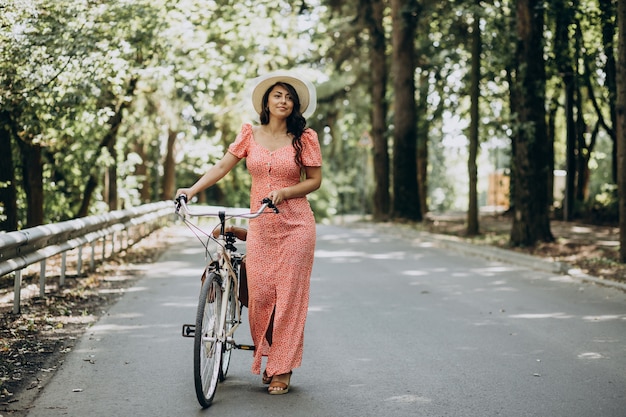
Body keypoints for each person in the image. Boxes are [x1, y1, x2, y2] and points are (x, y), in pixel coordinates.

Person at [175, 70, 322, 395]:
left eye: (289, 97)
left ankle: (281, 367)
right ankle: (269, 353)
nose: (283, 101)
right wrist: (192, 189)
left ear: (295, 105)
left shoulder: (304, 137)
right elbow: (221, 166)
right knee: (259, 298)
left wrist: (286, 193)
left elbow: (314, 180)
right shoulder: (249, 134)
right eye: (278, 95)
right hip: (262, 225)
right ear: (267, 101)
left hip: (296, 225)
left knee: (288, 300)